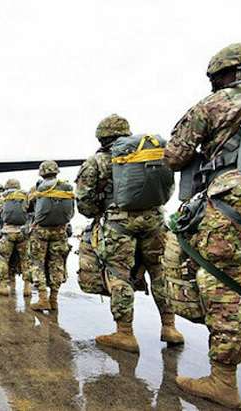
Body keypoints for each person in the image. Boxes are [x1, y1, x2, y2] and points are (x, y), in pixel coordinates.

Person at [165, 42, 241, 409]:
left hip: (234, 199)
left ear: (228, 73)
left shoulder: (215, 103)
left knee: (221, 284)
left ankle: (223, 380)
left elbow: (175, 155)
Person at [75, 114, 184, 354]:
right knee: (159, 272)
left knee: (119, 274)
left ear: (101, 137)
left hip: (118, 224)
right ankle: (170, 327)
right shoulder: (145, 153)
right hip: (155, 220)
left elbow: (84, 203)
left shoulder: (96, 162)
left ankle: (124, 333)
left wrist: (100, 211)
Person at [28, 161, 74, 311]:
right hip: (60, 231)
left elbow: (27, 208)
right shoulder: (66, 187)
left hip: (40, 231)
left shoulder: (37, 188)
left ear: (42, 172)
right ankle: (54, 299)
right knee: (57, 263)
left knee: (37, 263)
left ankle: (42, 298)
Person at [0, 178, 30, 296]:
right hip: (23, 234)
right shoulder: (26, 196)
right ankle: (27, 287)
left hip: (7, 233)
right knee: (25, 259)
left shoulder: (0, 199)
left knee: (2, 257)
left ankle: (4, 286)